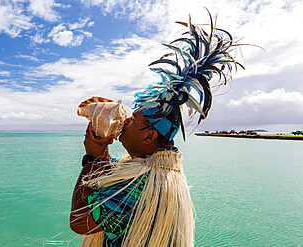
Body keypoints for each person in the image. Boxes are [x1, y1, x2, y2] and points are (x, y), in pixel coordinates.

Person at [70, 11, 244, 247]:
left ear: (150, 136)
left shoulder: (136, 187)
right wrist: (102, 156)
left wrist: (92, 158)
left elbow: (80, 221)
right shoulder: (166, 174)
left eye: (134, 119)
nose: (127, 122)